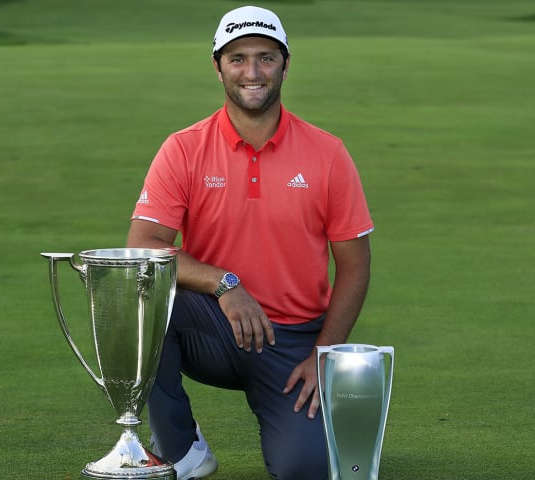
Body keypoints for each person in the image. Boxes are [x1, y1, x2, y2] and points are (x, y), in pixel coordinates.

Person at [126, 5, 374, 479]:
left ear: (285, 64)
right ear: (218, 66)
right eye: (237, 58)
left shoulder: (327, 153)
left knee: (305, 469)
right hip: (213, 327)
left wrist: (324, 354)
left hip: (293, 342)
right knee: (143, 290)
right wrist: (224, 283)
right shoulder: (183, 147)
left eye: (265, 57)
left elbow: (355, 264)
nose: (252, 72)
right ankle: (181, 449)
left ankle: (305, 434)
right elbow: (145, 248)